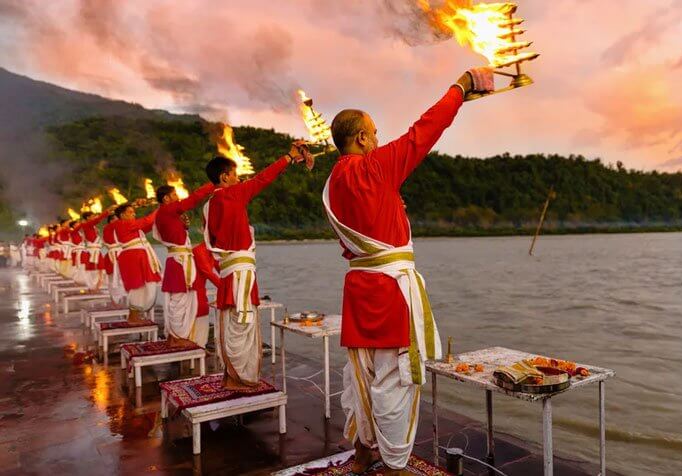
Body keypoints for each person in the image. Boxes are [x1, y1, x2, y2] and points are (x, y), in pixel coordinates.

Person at [322, 68, 494, 474]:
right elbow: (425, 130)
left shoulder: (331, 183)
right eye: (375, 133)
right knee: (396, 381)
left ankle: (364, 453)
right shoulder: (375, 167)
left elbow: (356, 239)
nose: (379, 139)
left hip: (358, 289)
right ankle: (396, 465)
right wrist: (460, 87)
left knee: (361, 376)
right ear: (362, 138)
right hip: (389, 294)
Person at [203, 141, 313, 390]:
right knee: (243, 324)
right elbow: (263, 179)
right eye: (234, 174)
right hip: (240, 274)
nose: (238, 178)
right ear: (224, 177)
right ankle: (240, 379)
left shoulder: (209, 205)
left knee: (231, 324)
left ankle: (232, 375)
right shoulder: (232, 194)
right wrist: (288, 157)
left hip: (229, 273)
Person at [153, 182, 214, 347]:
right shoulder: (167, 210)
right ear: (166, 198)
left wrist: (183, 227)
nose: (177, 198)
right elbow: (193, 199)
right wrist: (212, 185)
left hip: (177, 260)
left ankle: (174, 336)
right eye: (174, 195)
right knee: (179, 301)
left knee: (178, 300)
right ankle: (177, 338)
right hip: (179, 261)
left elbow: (175, 234)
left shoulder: (164, 213)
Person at [114, 200, 160, 323]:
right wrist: (160, 208)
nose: (134, 214)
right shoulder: (122, 224)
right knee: (136, 286)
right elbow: (147, 221)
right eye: (130, 212)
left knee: (144, 286)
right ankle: (133, 316)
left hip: (136, 256)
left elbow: (149, 224)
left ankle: (135, 314)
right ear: (123, 215)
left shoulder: (131, 226)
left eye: (134, 212)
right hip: (132, 257)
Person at [102, 213, 125, 304]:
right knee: (113, 279)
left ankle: (120, 299)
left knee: (121, 278)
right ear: (111, 221)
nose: (117, 221)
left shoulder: (116, 227)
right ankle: (115, 300)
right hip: (113, 255)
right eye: (115, 219)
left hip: (120, 253)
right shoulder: (108, 228)